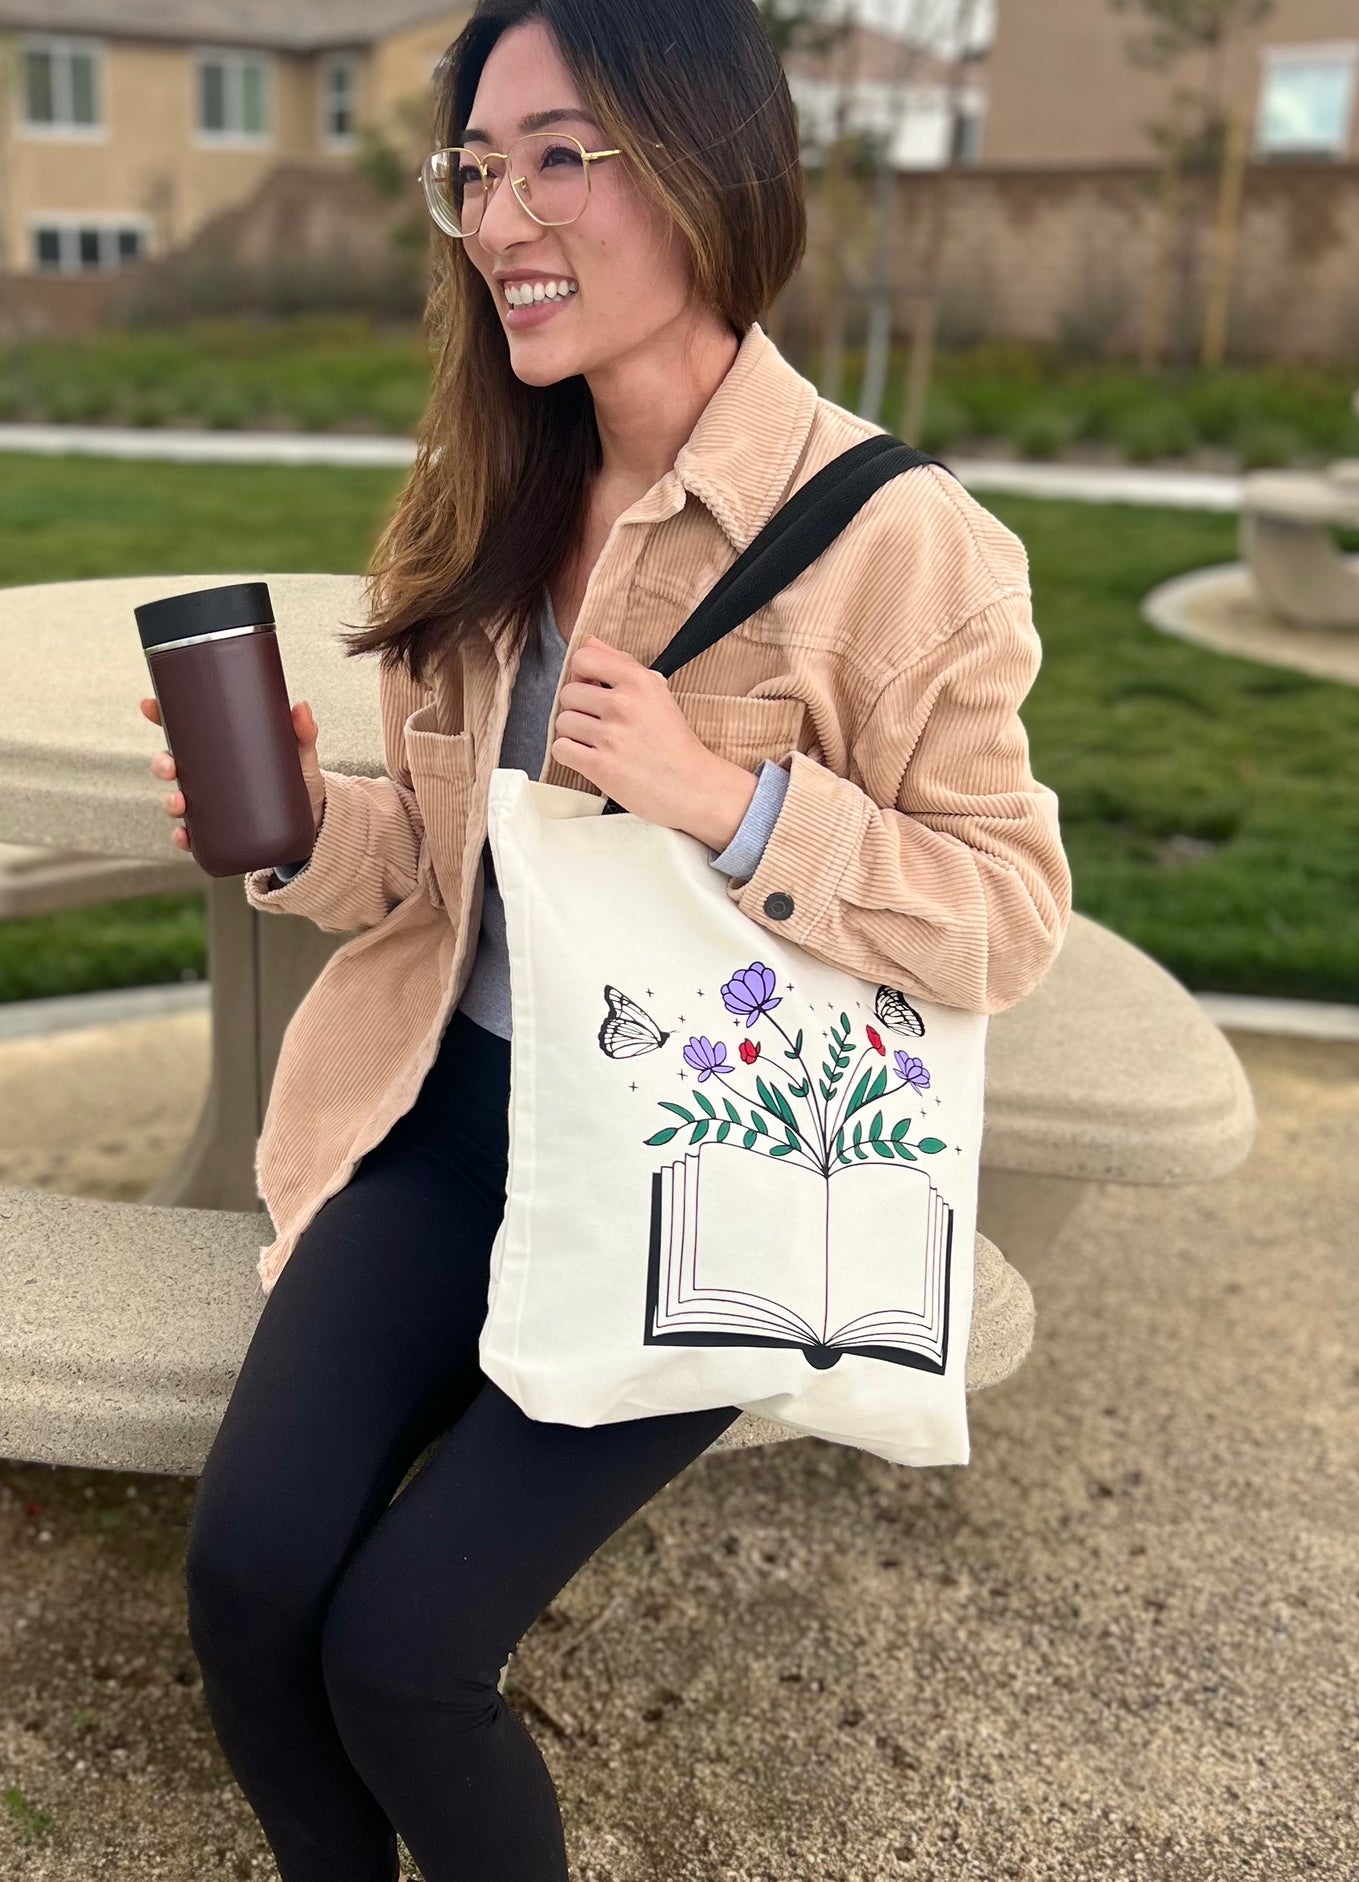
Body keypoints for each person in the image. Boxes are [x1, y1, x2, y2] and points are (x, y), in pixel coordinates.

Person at [139, 2, 1072, 1876]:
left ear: (711, 170)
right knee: (249, 1583)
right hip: (448, 1113)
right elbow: (433, 870)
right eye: (476, 169)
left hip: (690, 1168)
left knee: (405, 1655)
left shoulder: (906, 546)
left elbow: (1007, 913)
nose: (499, 217)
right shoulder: (480, 485)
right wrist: (308, 828)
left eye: (562, 155)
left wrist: (721, 799)